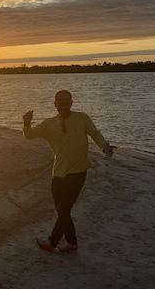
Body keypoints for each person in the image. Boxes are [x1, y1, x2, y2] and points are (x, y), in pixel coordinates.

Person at [22, 89, 114, 253]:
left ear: (71, 103)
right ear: (55, 104)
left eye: (66, 101)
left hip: (78, 171)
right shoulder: (48, 124)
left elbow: (95, 133)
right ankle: (72, 243)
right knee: (62, 210)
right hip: (58, 173)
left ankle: (52, 242)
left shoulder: (82, 118)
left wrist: (104, 146)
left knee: (64, 209)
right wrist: (26, 123)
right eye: (60, 101)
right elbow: (29, 135)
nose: (63, 104)